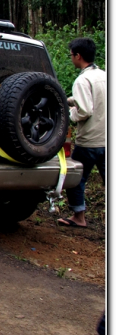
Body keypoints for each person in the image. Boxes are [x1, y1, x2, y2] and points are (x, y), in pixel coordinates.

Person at [58, 37, 106, 228]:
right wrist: (71, 100)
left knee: (77, 179)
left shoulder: (82, 80)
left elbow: (85, 111)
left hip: (89, 141)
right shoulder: (103, 75)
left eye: (71, 55)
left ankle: (79, 217)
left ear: (78, 56)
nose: (71, 58)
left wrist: (68, 114)